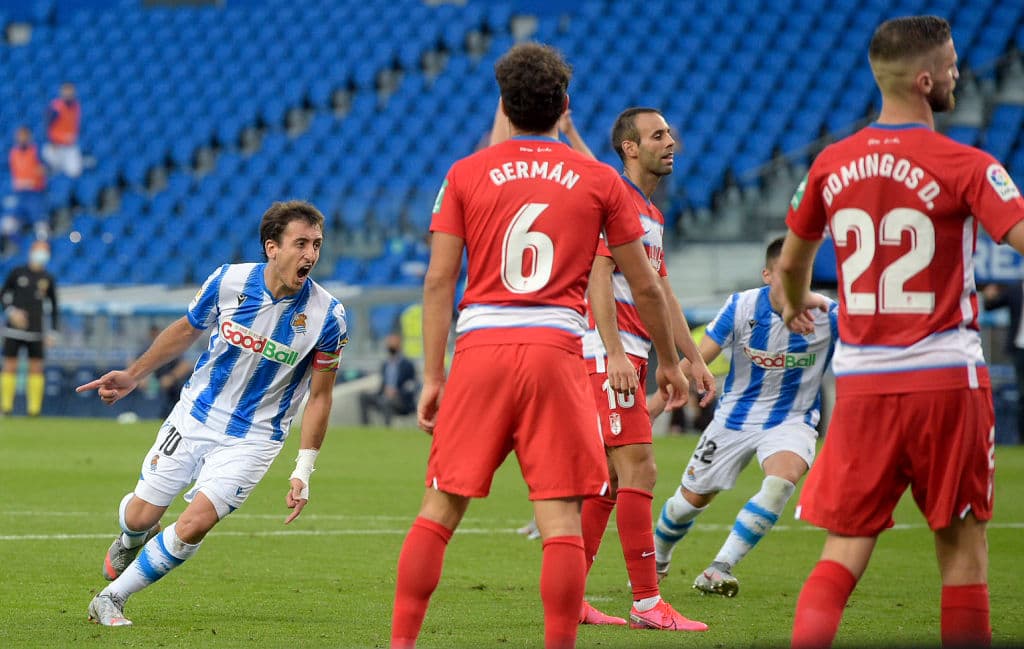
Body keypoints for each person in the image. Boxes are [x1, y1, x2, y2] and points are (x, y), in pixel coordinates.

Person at [389, 43, 692, 649]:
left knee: (439, 511)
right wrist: (671, 362)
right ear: (564, 104)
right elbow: (646, 286)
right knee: (560, 522)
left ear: (504, 105)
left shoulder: (464, 172)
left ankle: (401, 644)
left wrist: (433, 376)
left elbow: (439, 281)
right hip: (556, 350)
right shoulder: (600, 180)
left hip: (481, 349)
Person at [777, 16, 1024, 649]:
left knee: (844, 548)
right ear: (925, 81)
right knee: (962, 550)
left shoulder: (830, 164)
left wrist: (795, 301)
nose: (958, 74)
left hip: (862, 386)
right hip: (946, 379)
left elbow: (791, 267)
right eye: (951, 65)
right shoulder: (966, 163)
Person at [77, 200, 349, 627]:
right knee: (140, 516)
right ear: (272, 247)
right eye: (301, 243)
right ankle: (132, 537)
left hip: (255, 437)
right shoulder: (228, 281)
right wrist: (133, 374)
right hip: (195, 415)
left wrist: (304, 468)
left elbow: (320, 397)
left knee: (196, 522)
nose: (311, 254)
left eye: (316, 244)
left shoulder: (328, 317)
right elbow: (187, 329)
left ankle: (111, 598)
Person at [573, 107, 713, 631]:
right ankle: (648, 603)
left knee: (610, 479)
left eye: (670, 133)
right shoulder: (618, 202)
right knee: (641, 468)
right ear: (630, 148)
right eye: (658, 135)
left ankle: (571, 597)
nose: (670, 141)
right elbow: (598, 275)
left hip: (630, 351)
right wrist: (613, 352)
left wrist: (691, 359)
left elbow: (661, 292)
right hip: (607, 351)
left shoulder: (651, 214)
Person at [651, 237, 838, 598]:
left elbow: (873, 343)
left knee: (781, 483)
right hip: (734, 418)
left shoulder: (828, 315)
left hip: (792, 420)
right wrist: (657, 403)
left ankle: (719, 568)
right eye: (786, 274)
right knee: (686, 505)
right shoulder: (741, 306)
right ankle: (657, 558)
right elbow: (699, 357)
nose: (796, 282)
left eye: (802, 274)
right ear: (767, 275)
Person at [1, 240, 58, 416]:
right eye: (40, 250)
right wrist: (12, 312)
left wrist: (53, 332)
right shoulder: (17, 272)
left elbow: (54, 307)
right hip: (14, 330)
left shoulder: (48, 278)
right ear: (32, 251)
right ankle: (6, 408)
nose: (42, 254)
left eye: (45, 251)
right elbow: (3, 295)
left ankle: (34, 411)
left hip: (36, 331)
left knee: (36, 368)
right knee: (10, 365)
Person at [980, 281, 1024, 439]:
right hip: (1020, 348)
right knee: (1022, 394)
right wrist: (988, 295)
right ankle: (1021, 438)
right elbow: (991, 305)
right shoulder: (1016, 290)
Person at [359, 332, 418, 426]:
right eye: (389, 343)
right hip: (384, 395)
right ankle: (365, 427)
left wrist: (397, 392)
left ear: (399, 345)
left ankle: (387, 427)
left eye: (393, 343)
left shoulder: (407, 364)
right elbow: (383, 383)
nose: (390, 345)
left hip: (401, 399)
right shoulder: (385, 364)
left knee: (387, 401)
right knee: (363, 396)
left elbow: (412, 384)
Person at [140, 324, 193, 420]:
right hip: (158, 385)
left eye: (157, 334)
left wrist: (171, 377)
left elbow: (185, 365)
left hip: (175, 386)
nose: (155, 337)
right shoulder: (147, 348)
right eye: (152, 335)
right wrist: (139, 378)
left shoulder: (170, 347)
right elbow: (133, 362)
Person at [8, 126, 47, 230]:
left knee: (39, 222)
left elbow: (45, 167)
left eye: (24, 136)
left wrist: (41, 170)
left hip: (34, 192)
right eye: (20, 136)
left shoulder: (36, 150)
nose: (22, 138)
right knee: (10, 224)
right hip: (20, 192)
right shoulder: (13, 153)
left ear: (29, 137)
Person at [41, 82, 82, 179]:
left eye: (70, 91)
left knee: (75, 173)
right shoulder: (56, 107)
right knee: (53, 173)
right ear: (61, 92)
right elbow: (47, 124)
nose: (68, 93)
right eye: (66, 91)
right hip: (56, 146)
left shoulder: (76, 106)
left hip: (70, 146)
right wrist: (51, 141)